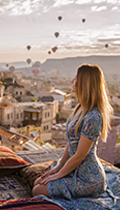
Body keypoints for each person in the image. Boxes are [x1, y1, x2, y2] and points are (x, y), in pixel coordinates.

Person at [32, 64, 120, 209]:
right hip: (74, 169)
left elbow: (80, 155)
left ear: (84, 83)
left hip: (88, 179)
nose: (72, 81)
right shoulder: (80, 107)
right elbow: (71, 142)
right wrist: (59, 167)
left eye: (76, 78)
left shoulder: (94, 117)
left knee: (37, 190)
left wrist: (58, 175)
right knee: (37, 183)